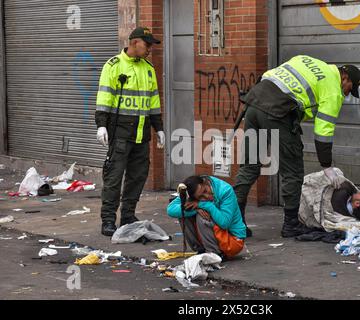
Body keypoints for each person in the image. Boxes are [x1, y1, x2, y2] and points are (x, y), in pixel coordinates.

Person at [233, 55, 360, 238]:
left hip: (254, 103)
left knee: (249, 166)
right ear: (345, 78)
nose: (348, 93)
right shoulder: (333, 89)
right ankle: (291, 225)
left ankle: (236, 223)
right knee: (292, 170)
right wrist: (327, 166)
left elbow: (269, 75)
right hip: (278, 111)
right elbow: (324, 130)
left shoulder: (309, 61)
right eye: (351, 88)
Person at [95, 27, 165, 236]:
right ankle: (108, 220)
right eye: (147, 44)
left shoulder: (148, 68)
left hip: (141, 133)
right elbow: (104, 97)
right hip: (120, 132)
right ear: (135, 43)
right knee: (114, 178)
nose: (150, 49)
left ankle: (128, 216)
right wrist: (101, 124)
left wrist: (159, 127)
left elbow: (153, 101)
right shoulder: (114, 65)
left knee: (137, 177)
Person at [167, 175, 247, 259]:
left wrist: (203, 204)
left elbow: (225, 223)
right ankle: (201, 250)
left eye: (205, 190)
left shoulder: (225, 190)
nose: (207, 196)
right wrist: (196, 209)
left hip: (233, 241)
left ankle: (215, 254)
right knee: (185, 211)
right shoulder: (189, 191)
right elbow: (170, 210)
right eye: (200, 197)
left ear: (205, 182)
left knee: (202, 215)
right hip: (214, 236)